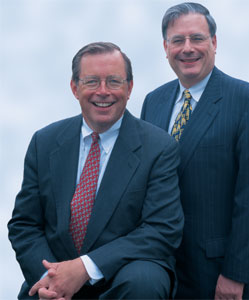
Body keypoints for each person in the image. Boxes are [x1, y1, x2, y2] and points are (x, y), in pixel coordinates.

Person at [8, 42, 184, 300]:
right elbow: (25, 224)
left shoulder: (158, 147)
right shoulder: (44, 142)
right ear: (74, 87)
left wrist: (85, 267)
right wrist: (49, 280)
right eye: (91, 81)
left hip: (124, 276)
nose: (103, 92)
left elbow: (162, 229)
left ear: (129, 87)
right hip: (54, 273)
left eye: (113, 81)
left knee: (145, 280)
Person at [141, 2, 249, 299]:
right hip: (163, 273)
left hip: (222, 276)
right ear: (165, 47)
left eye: (197, 38)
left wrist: (236, 274)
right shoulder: (153, 102)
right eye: (177, 40)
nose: (187, 48)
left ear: (214, 43)